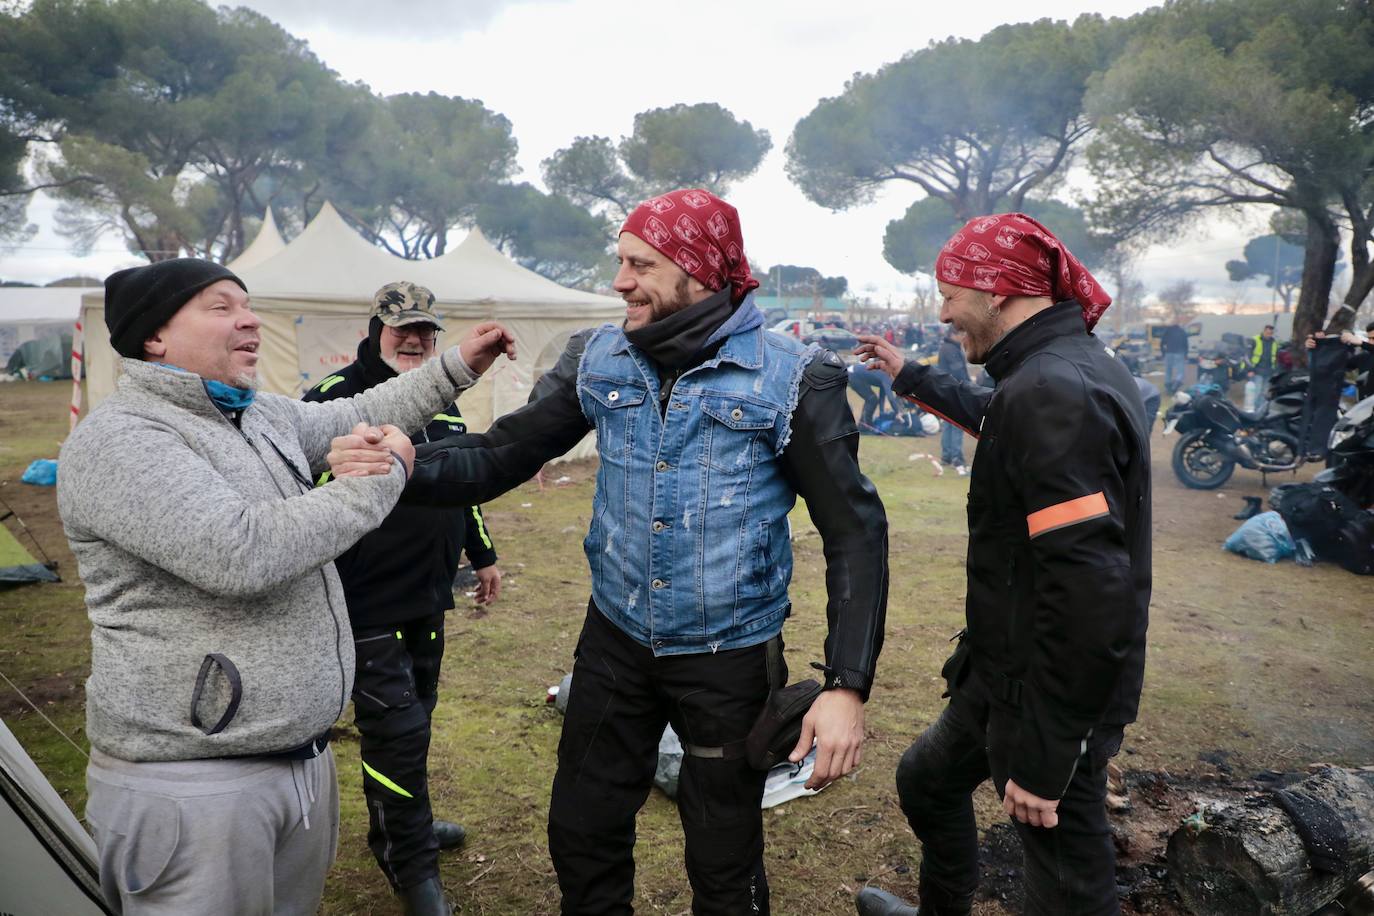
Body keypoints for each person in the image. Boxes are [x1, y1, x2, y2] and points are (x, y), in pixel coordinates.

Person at [329, 188, 889, 914]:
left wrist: (846, 685)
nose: (620, 281)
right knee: (581, 832)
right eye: (619, 262)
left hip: (729, 658)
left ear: (702, 270)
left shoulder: (794, 376)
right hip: (615, 644)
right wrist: (407, 461)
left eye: (640, 264)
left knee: (724, 859)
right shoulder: (599, 356)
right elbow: (502, 455)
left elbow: (855, 529)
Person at [56, 258, 513, 916]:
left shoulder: (253, 416)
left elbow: (360, 409)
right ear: (153, 336)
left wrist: (457, 366)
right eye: (220, 307)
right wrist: (385, 476)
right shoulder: (122, 440)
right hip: (198, 785)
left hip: (296, 757)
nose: (249, 319)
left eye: (247, 304)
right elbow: (244, 553)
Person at [854, 212, 1151, 916]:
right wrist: (913, 376)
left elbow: (1089, 595)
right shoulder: (1054, 373)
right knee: (928, 781)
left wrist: (1047, 762)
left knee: (1071, 889)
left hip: (1050, 696)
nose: (944, 310)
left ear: (1002, 291)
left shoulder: (1054, 392)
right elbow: (1003, 419)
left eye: (952, 292)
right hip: (1001, 672)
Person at [301, 281, 502, 916]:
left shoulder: (443, 407)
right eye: (402, 330)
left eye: (426, 332)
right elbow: (297, 490)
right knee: (397, 732)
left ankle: (395, 827)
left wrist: (484, 554)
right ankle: (413, 871)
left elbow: (459, 486)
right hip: (362, 601)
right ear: (375, 331)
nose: (415, 341)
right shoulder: (333, 402)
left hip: (428, 595)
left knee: (415, 723)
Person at [936, 328, 970, 473]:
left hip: (946, 390)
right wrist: (968, 385)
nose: (963, 337)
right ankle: (956, 457)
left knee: (949, 424)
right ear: (952, 335)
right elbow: (959, 372)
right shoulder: (951, 349)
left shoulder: (947, 347)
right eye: (961, 334)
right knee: (956, 425)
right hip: (954, 391)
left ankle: (946, 456)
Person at [848, 360, 900, 428]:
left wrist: (882, 412)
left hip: (854, 373)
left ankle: (863, 425)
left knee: (871, 399)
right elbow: (891, 398)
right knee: (872, 399)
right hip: (853, 374)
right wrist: (898, 412)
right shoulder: (888, 377)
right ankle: (866, 426)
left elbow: (882, 396)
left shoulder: (887, 375)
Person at [1160, 317, 1189, 394]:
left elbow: (1162, 343)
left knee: (1168, 371)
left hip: (1169, 353)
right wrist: (1186, 354)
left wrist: (1163, 353)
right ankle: (1175, 385)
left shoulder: (1168, 331)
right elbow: (1186, 344)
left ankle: (1168, 386)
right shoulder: (1182, 331)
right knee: (1180, 372)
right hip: (1179, 354)